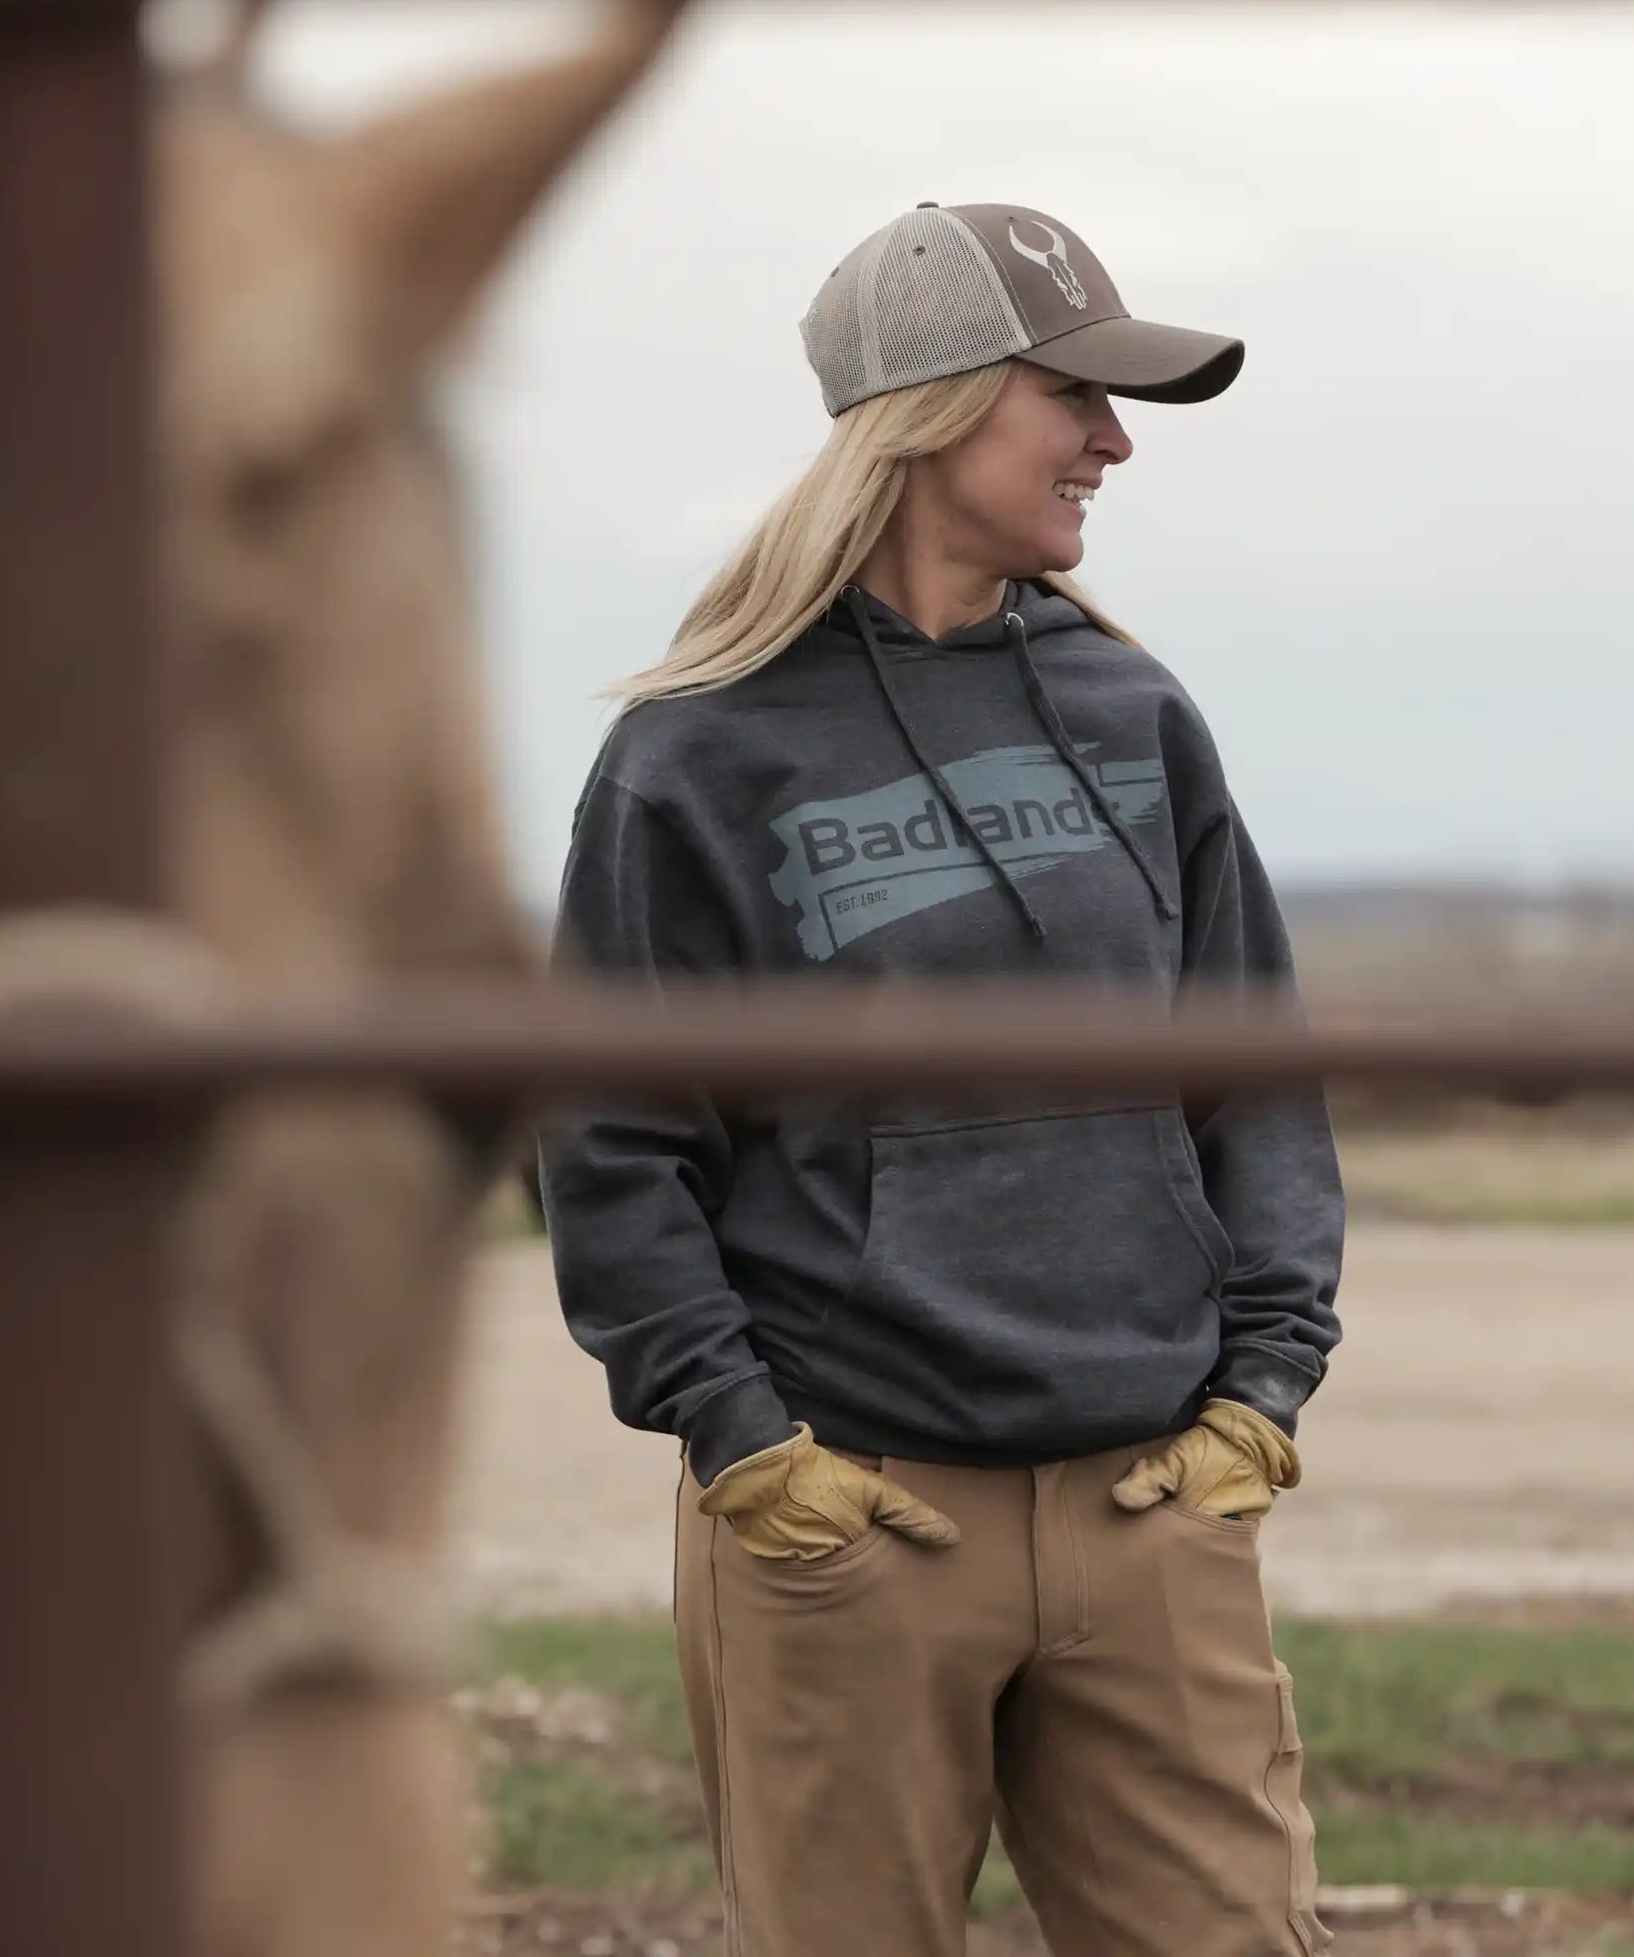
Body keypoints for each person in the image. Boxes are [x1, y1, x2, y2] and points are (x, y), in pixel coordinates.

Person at [536, 201, 1344, 1957]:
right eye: (1076, 399)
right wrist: (744, 1444)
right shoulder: (694, 755)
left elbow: (1254, 1071)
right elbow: (609, 1149)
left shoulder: (1133, 712)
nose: (1114, 444)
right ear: (935, 408)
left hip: (1152, 1507)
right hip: (854, 1517)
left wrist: (1265, 1391)